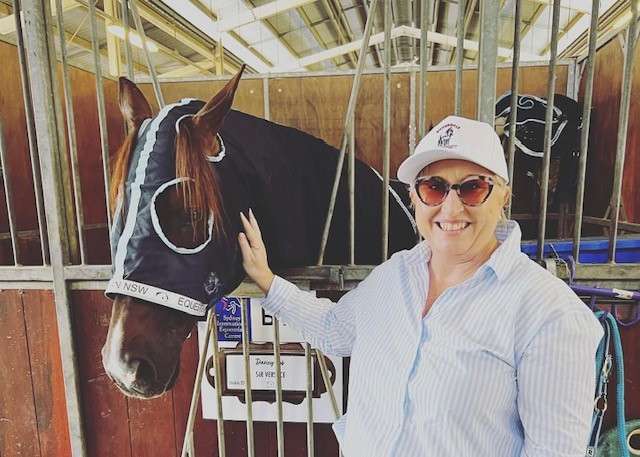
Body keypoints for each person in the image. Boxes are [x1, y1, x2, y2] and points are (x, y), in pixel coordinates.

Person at [238, 115, 603, 456]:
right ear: (414, 196)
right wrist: (267, 281)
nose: (451, 208)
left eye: (473, 188)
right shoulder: (394, 275)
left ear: (503, 195)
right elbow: (335, 329)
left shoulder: (550, 313)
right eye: (434, 187)